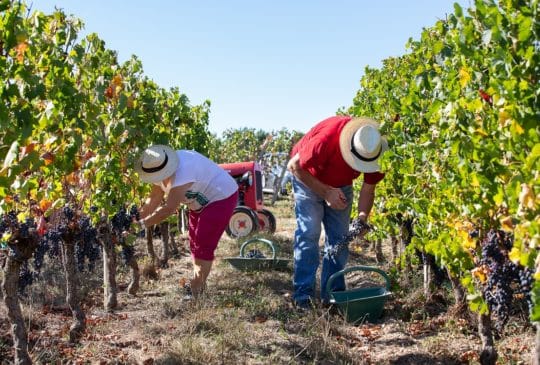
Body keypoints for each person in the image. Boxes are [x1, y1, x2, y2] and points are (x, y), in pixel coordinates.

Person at [286, 116, 388, 310]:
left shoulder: (375, 148)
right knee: (309, 232)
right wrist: (326, 192)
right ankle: (302, 297)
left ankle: (332, 297)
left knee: (340, 239)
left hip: (341, 184)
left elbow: (368, 189)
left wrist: (361, 218)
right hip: (307, 177)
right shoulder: (326, 140)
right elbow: (294, 166)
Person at [134, 145, 238, 299]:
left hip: (221, 196)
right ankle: (198, 284)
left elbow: (168, 209)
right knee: (195, 243)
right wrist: (134, 219)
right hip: (198, 202)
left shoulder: (183, 173)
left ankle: (197, 290)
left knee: (203, 244)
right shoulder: (156, 166)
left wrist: (142, 225)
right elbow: (153, 200)